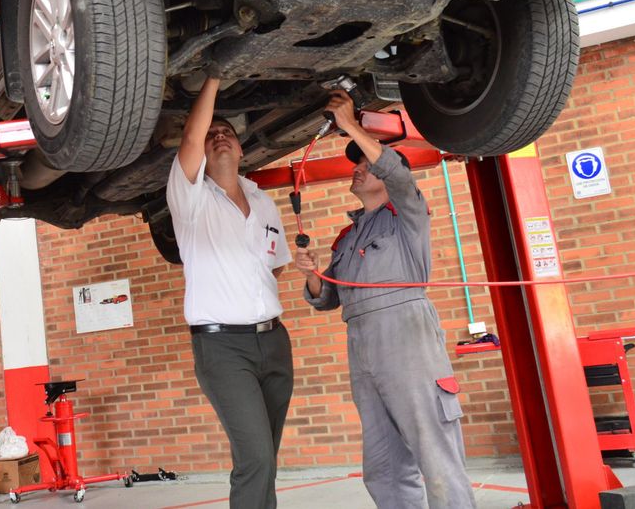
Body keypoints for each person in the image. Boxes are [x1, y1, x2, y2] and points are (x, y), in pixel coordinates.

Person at [295, 90, 475, 509]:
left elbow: (397, 175)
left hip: (407, 335)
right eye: (355, 163)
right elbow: (329, 301)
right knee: (383, 466)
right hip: (362, 345)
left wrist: (352, 126)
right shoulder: (348, 236)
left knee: (436, 457)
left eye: (363, 163)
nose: (355, 170)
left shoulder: (406, 213)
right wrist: (313, 276)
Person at [167, 73, 293, 509]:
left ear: (241, 150)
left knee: (265, 459)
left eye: (229, 134)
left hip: (274, 341)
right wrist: (216, 77)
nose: (220, 138)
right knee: (255, 457)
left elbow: (272, 269)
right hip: (223, 348)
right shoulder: (190, 201)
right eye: (213, 134)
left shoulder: (264, 202)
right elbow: (189, 138)